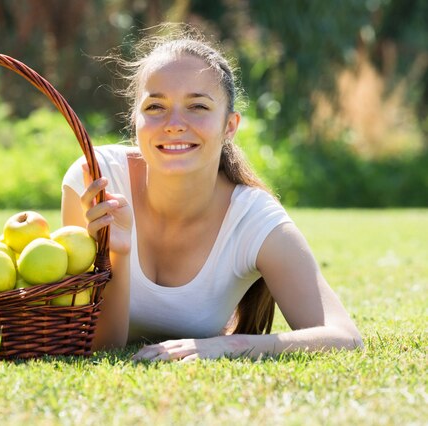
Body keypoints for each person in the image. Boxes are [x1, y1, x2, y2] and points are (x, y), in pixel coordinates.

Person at [61, 26, 363, 362]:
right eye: (156, 107)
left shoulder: (253, 219)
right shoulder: (96, 181)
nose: (174, 123)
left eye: (198, 107)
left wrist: (226, 345)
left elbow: (345, 337)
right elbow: (98, 348)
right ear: (135, 121)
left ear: (230, 126)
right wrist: (117, 252)